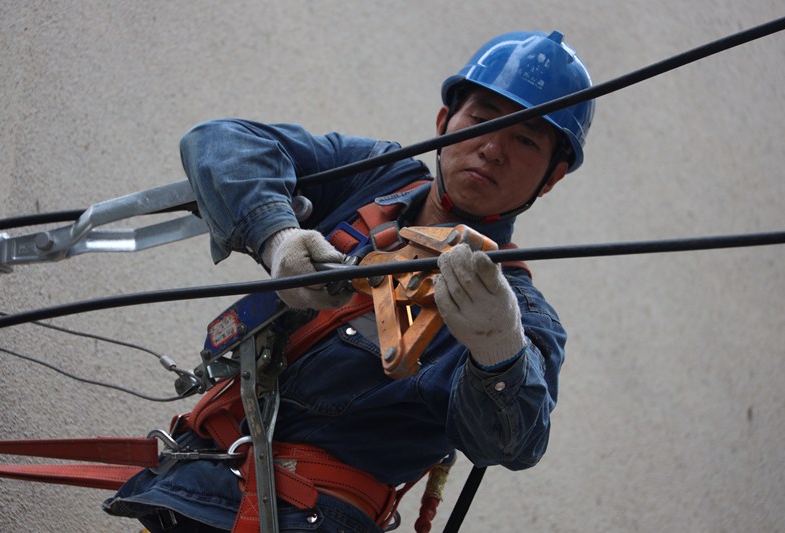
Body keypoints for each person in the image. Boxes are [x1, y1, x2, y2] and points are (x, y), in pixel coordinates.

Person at [104, 30, 595, 532]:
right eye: (482, 120)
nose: (493, 148)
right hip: (190, 487)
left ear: (552, 177)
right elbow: (219, 142)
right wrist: (277, 237)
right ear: (444, 121)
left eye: (525, 140)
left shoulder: (518, 314)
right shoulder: (374, 177)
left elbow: (514, 442)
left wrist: (498, 350)